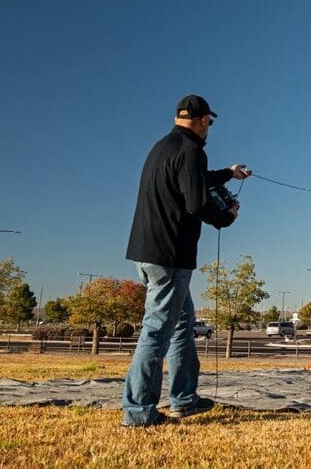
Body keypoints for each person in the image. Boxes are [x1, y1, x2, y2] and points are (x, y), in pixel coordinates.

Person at [122, 95, 251, 427]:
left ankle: (184, 399)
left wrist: (228, 174)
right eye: (210, 123)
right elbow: (196, 202)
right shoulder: (193, 151)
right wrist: (226, 217)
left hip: (146, 251)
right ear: (204, 121)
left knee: (182, 325)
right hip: (170, 255)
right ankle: (138, 412)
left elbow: (192, 181)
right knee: (157, 330)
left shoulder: (163, 147)